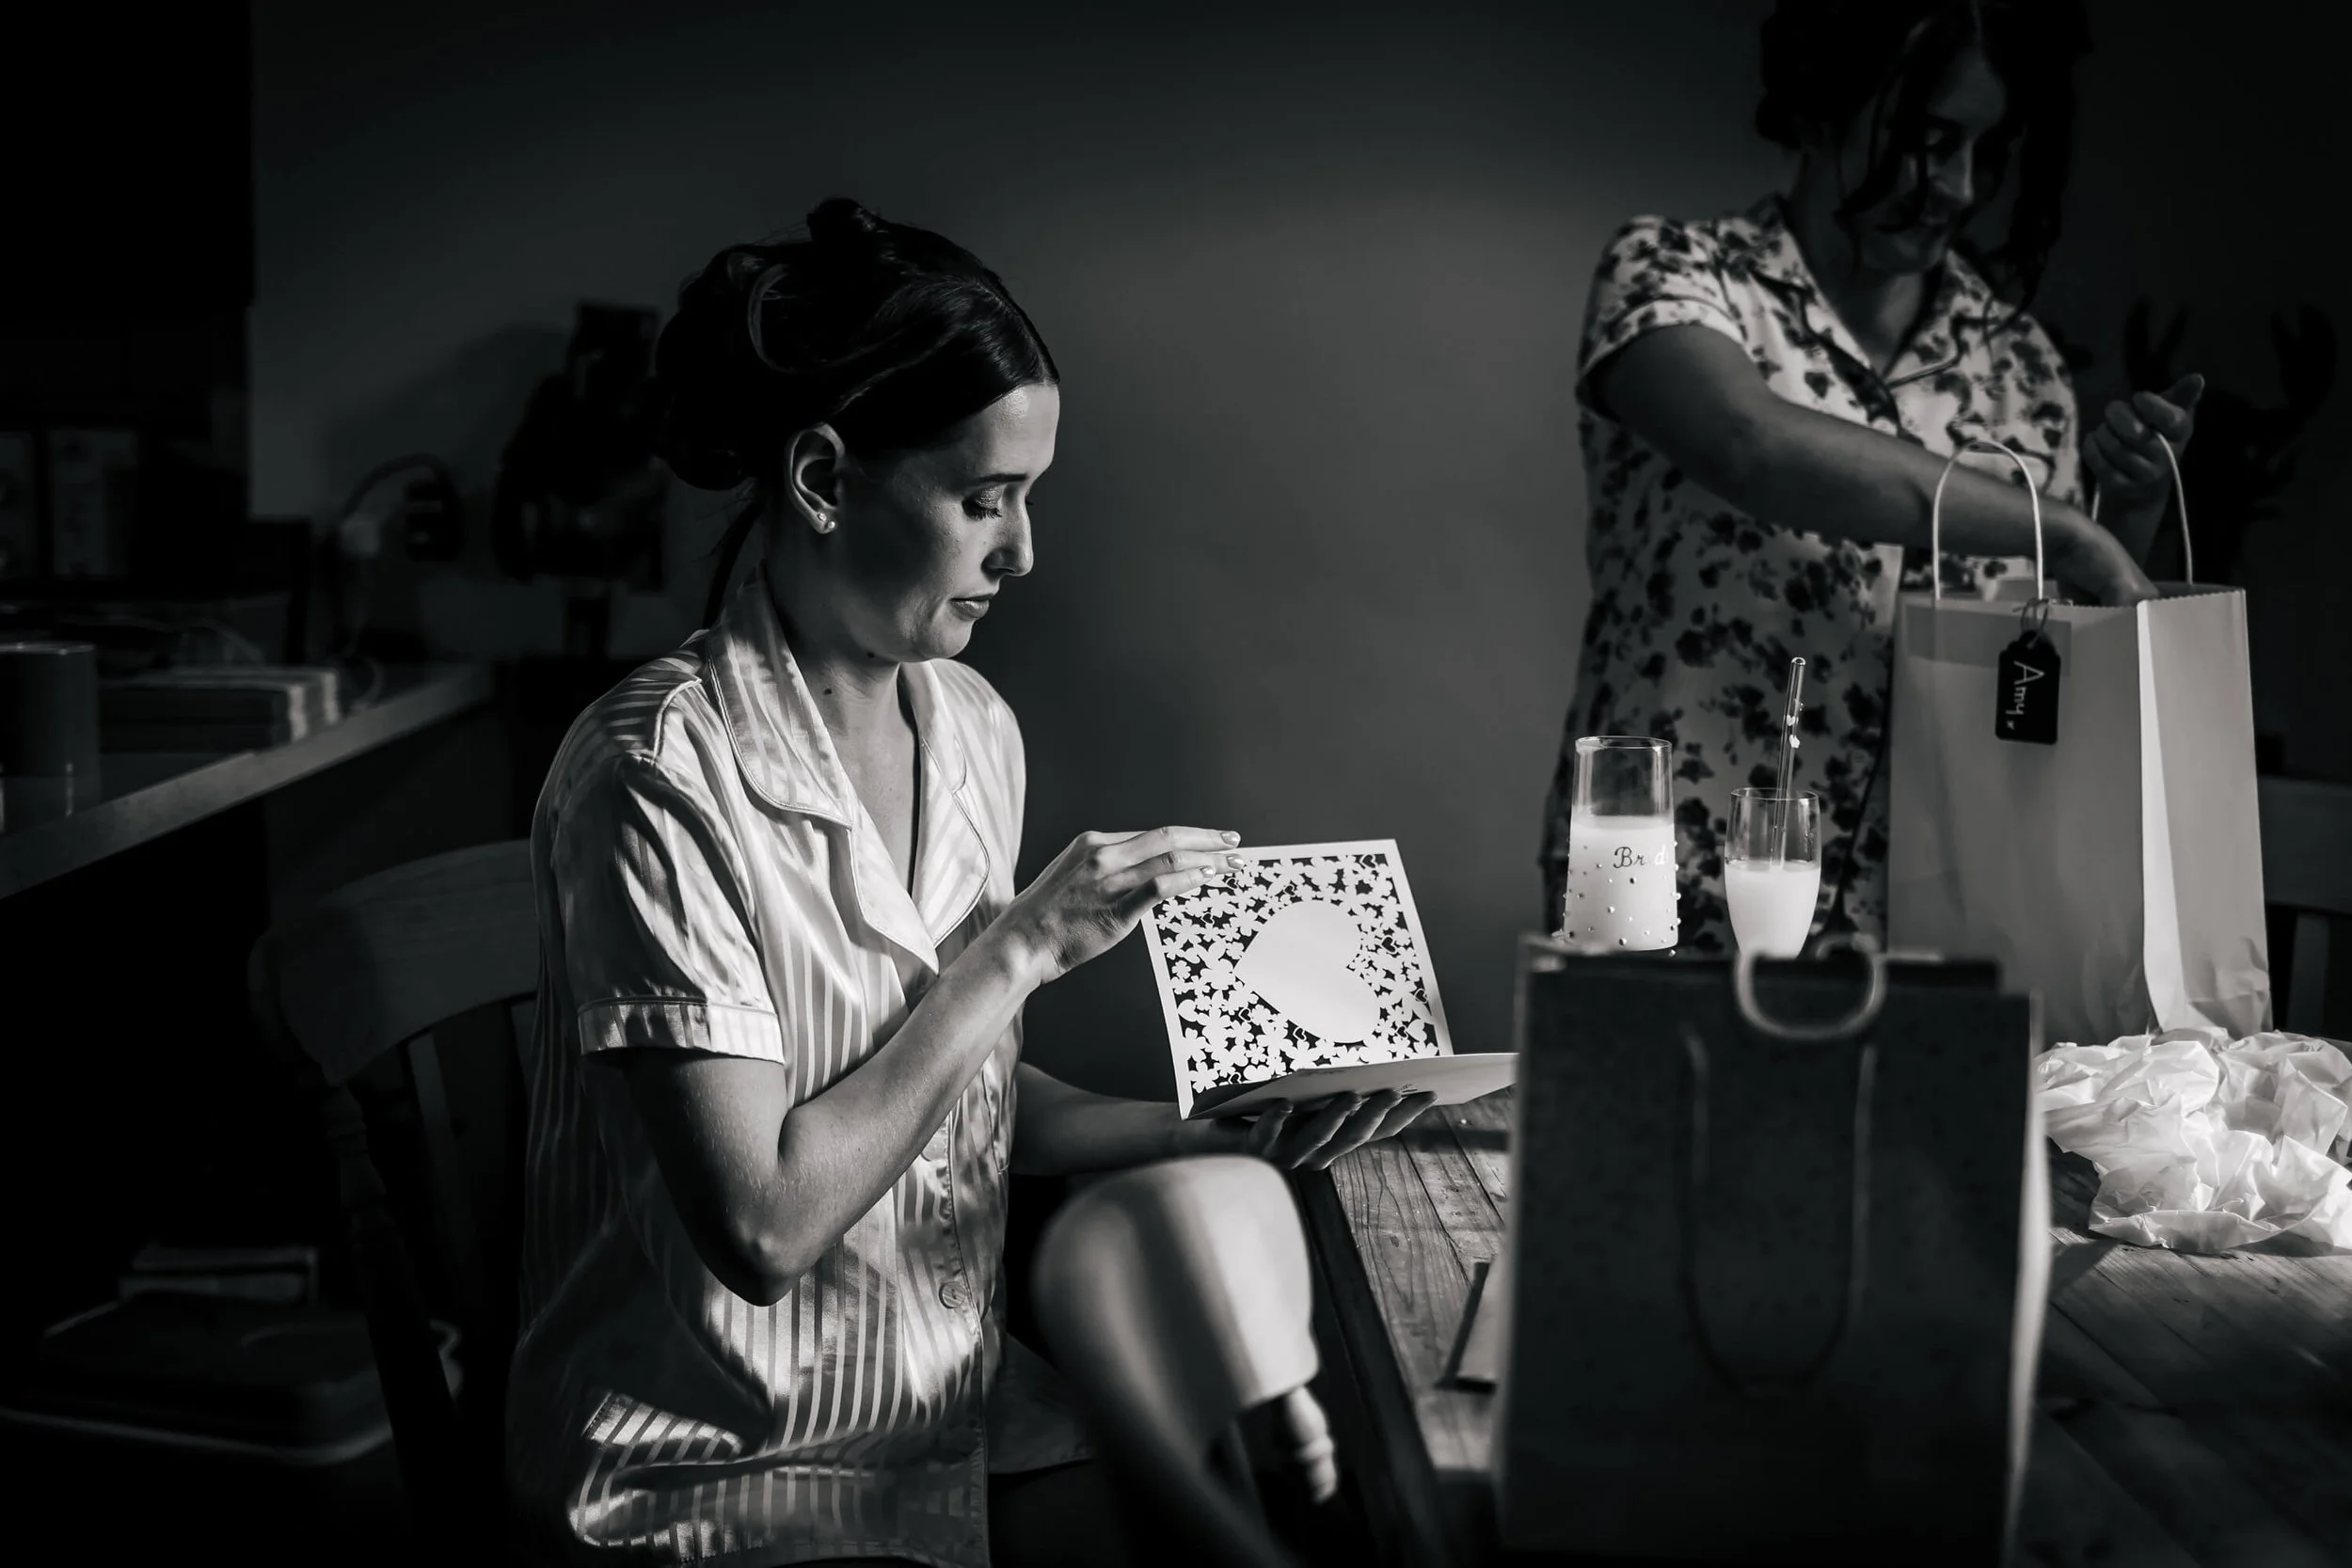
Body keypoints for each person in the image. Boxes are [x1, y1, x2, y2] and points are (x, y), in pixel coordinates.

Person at [507, 198, 1435, 1567]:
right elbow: (767, 1223)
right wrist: (1016, 948)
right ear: (823, 479)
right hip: (717, 1473)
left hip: (953, 1414)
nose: (1023, 551)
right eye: (983, 499)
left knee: (1262, 1514)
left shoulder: (972, 727)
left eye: (1031, 497)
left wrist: (1212, 1129)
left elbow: (961, 1102)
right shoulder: (654, 776)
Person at [1538, 0, 2202, 952]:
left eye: (1985, 150)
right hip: (1670, 912)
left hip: (1931, 932)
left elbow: (2036, 670)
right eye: (1926, 142)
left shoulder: (2020, 365)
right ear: (1817, 108)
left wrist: (2121, 517)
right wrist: (2058, 524)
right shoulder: (1674, 274)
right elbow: (1746, 443)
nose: (1958, 188)